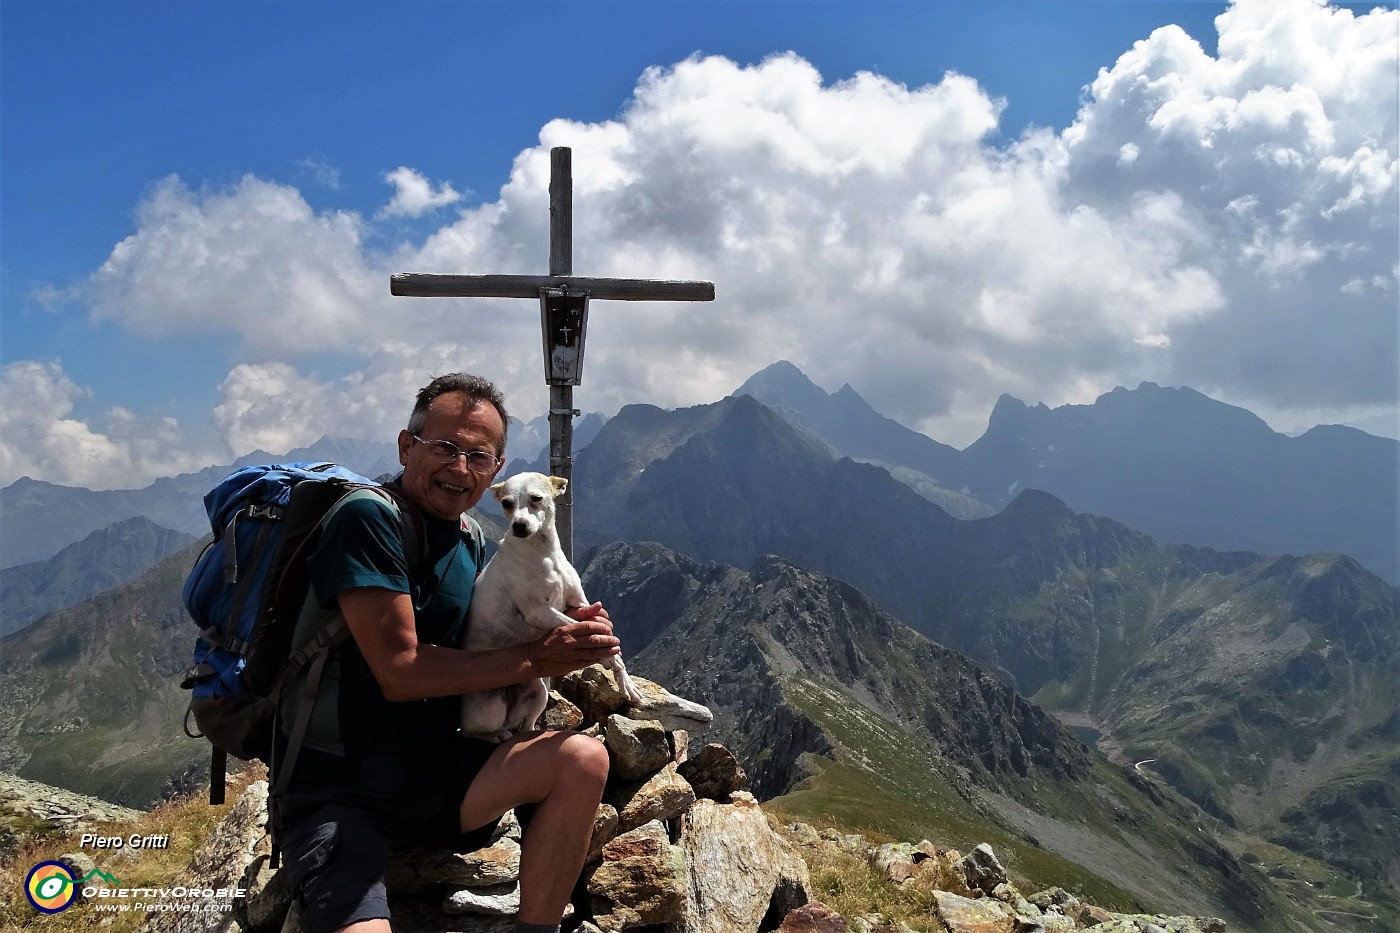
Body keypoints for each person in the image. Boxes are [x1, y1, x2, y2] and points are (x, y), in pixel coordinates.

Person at [275, 372, 622, 933]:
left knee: (582, 760)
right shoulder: (367, 520)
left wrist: (574, 628)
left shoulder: (473, 539)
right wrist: (540, 657)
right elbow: (400, 672)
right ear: (406, 446)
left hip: (439, 773)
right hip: (341, 794)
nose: (460, 468)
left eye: (478, 456)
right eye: (445, 447)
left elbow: (499, 634)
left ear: (497, 472)